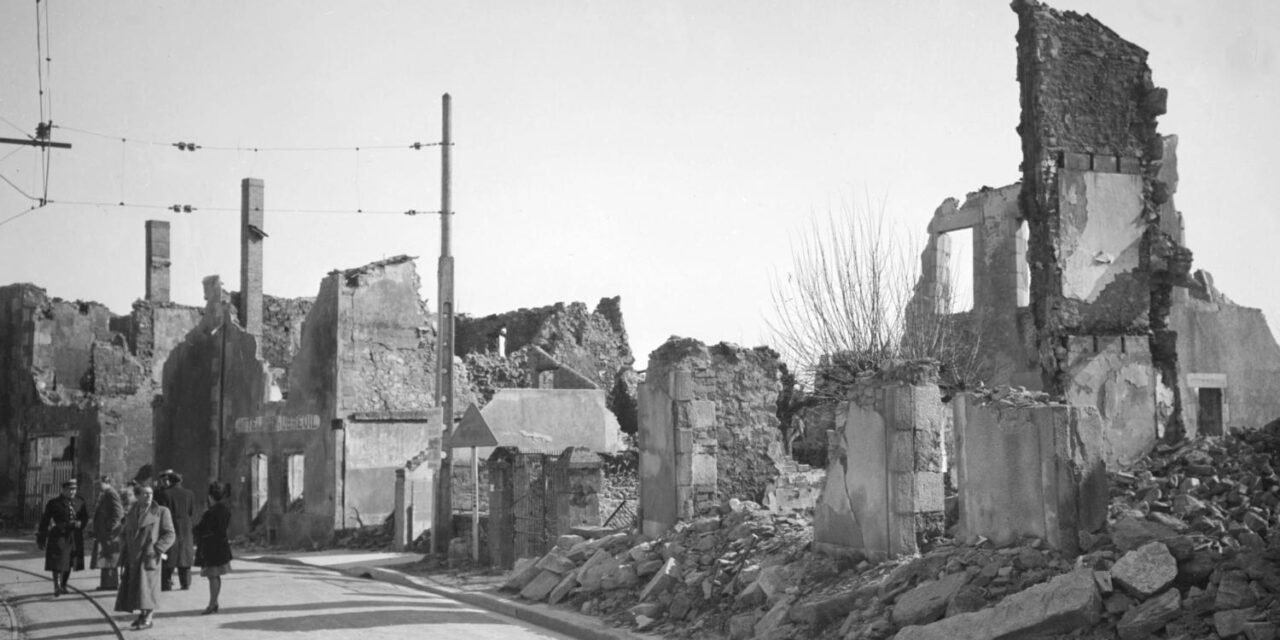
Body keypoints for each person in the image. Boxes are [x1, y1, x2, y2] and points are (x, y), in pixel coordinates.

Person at [114, 483, 175, 631]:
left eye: (151, 493)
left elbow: (170, 534)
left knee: (148, 588)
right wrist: (124, 549)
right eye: (145, 493)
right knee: (137, 588)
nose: (149, 496)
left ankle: (148, 618)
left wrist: (157, 549)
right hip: (133, 556)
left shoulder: (161, 511)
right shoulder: (131, 512)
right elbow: (123, 533)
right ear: (138, 496)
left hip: (149, 555)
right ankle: (143, 615)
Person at [36, 478, 89, 596]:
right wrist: (41, 538)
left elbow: (85, 517)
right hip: (59, 535)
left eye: (74, 489)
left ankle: (63, 585)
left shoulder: (80, 501)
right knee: (57, 561)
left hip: (73, 536)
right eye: (70, 490)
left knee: (69, 562)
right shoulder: (54, 503)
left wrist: (81, 524)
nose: (72, 492)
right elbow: (45, 521)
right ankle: (56, 586)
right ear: (63, 490)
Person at [193, 481, 233, 614]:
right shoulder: (226, 511)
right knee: (216, 576)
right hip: (221, 546)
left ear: (210, 497)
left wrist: (195, 530)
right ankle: (214, 602)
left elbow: (201, 529)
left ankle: (212, 604)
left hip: (211, 548)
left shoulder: (210, 513)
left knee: (213, 577)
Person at [156, 469, 195, 590]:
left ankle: (166, 583)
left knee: (169, 555)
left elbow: (161, 512)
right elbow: (191, 511)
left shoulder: (165, 494)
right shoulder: (189, 493)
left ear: (170, 481)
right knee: (184, 555)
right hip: (186, 527)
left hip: (170, 525)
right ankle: (186, 583)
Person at [91, 476, 125, 590]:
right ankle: (106, 584)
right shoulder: (106, 493)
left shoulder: (111, 494)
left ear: (107, 483)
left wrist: (110, 528)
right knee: (105, 558)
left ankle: (110, 584)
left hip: (109, 533)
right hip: (105, 533)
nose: (98, 486)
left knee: (109, 559)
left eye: (100, 484)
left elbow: (118, 513)